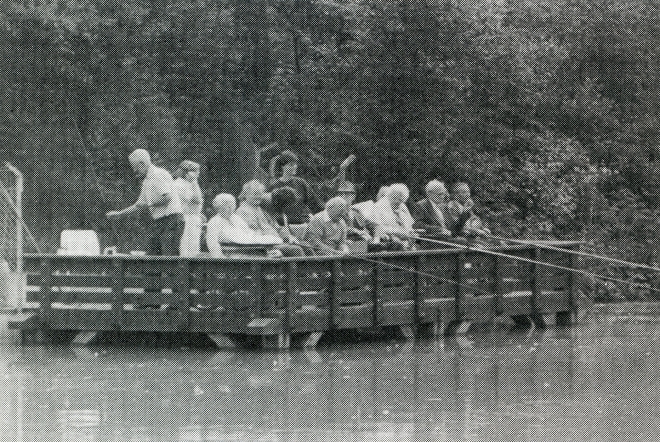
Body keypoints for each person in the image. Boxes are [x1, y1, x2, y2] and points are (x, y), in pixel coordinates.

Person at [106, 149, 184, 256]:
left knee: (169, 258)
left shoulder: (158, 174)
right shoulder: (147, 180)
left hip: (172, 220)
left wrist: (149, 204)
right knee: (152, 258)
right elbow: (139, 204)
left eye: (135, 168)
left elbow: (167, 198)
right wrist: (119, 214)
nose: (134, 172)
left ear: (142, 164)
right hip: (160, 222)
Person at [236, 180, 305, 256]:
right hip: (264, 246)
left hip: (275, 242)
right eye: (255, 194)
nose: (258, 197)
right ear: (245, 194)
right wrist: (279, 240)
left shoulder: (260, 209)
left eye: (260, 194)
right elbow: (254, 234)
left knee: (304, 246)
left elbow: (277, 227)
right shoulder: (243, 211)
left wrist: (288, 237)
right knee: (296, 250)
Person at [206, 193, 283, 258]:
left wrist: (257, 235)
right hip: (230, 254)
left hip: (248, 249)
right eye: (227, 207)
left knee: (272, 245)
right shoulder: (214, 222)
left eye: (232, 206)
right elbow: (212, 243)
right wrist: (220, 258)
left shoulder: (236, 218)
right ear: (219, 208)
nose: (230, 209)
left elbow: (248, 232)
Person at [267, 150, 323, 225]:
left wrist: (326, 215)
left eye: (295, 164)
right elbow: (269, 211)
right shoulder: (274, 187)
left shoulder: (301, 183)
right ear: (282, 166)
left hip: (302, 225)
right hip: (283, 227)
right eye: (291, 165)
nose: (294, 167)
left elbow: (315, 204)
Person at [371, 183, 416, 250]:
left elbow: (409, 226)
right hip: (387, 245)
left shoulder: (402, 206)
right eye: (394, 198)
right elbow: (377, 228)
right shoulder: (378, 207)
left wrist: (411, 232)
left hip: (407, 245)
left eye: (400, 200)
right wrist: (399, 232)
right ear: (388, 195)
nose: (397, 201)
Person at [173, 160, 204, 257]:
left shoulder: (189, 184)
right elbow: (197, 199)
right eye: (195, 171)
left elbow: (198, 201)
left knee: (194, 248)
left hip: (192, 219)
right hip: (185, 219)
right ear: (186, 172)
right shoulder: (179, 184)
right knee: (185, 247)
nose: (198, 174)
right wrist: (195, 183)